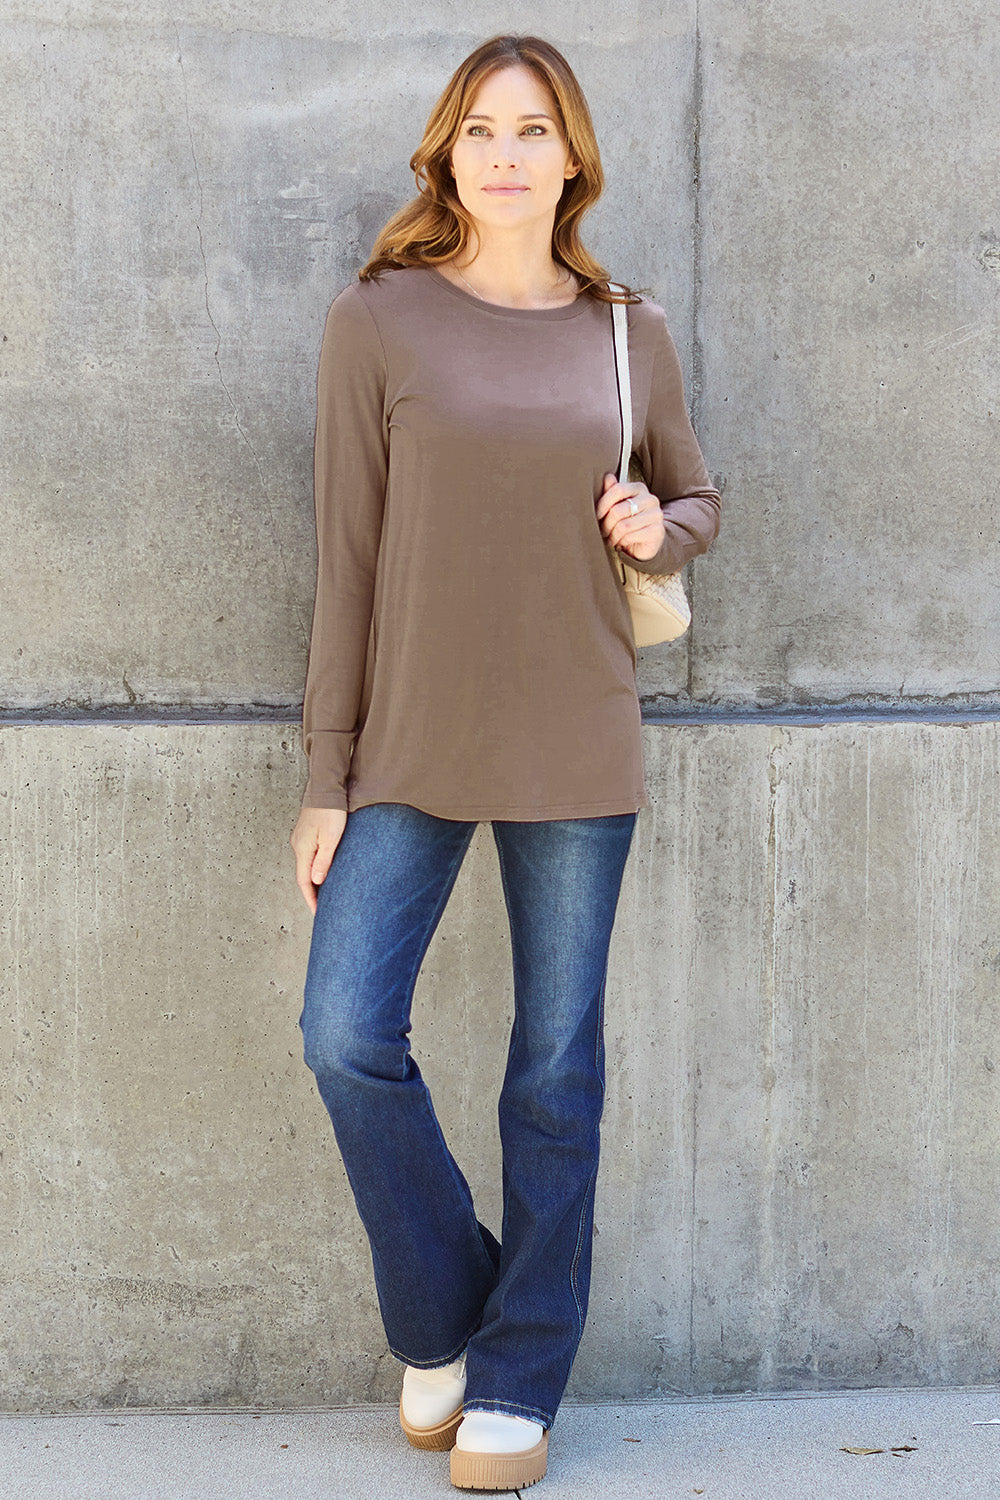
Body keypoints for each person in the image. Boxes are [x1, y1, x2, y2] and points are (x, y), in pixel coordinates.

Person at [289, 32, 721, 1492]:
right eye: (480, 129)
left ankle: (523, 1371)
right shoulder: (382, 320)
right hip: (408, 743)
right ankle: (443, 1318)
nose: (506, 153)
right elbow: (345, 560)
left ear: (573, 158)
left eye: (533, 129)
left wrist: (663, 528)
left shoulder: (628, 330)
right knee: (346, 1035)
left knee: (553, 1075)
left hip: (578, 735)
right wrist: (322, 773)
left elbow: (698, 495)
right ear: (448, 155)